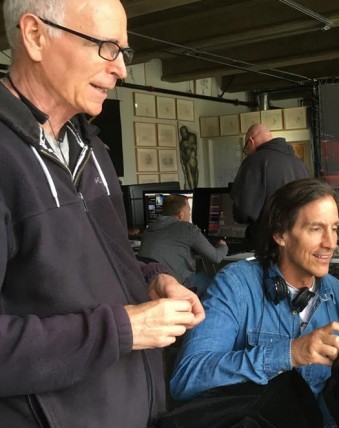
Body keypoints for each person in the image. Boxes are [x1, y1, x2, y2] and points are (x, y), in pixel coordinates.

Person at [0, 1, 204, 426]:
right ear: (35, 36)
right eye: (105, 46)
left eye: (123, 51)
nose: (122, 70)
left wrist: (152, 280)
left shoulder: (91, 151)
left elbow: (111, 262)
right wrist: (123, 330)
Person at [170, 178, 339, 427]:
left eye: (334, 228)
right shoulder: (236, 286)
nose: (331, 243)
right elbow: (187, 378)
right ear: (280, 234)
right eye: (315, 229)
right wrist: (290, 353)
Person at [230, 122, 309, 245]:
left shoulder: (253, 161)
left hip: (267, 241)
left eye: (246, 149)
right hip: (297, 238)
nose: (247, 152)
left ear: (251, 141)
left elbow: (244, 211)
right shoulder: (299, 163)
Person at [138, 194, 228, 297]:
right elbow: (216, 257)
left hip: (150, 289)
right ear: (181, 215)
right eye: (189, 211)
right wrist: (223, 245)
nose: (189, 215)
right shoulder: (188, 229)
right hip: (173, 289)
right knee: (206, 277)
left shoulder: (148, 230)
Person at [179, 125, 198, 190]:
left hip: (192, 159)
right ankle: (192, 189)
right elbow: (182, 154)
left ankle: (194, 189)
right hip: (187, 161)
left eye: (184, 132)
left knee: (194, 175)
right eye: (182, 133)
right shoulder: (182, 143)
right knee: (189, 175)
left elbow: (194, 147)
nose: (183, 134)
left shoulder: (192, 136)